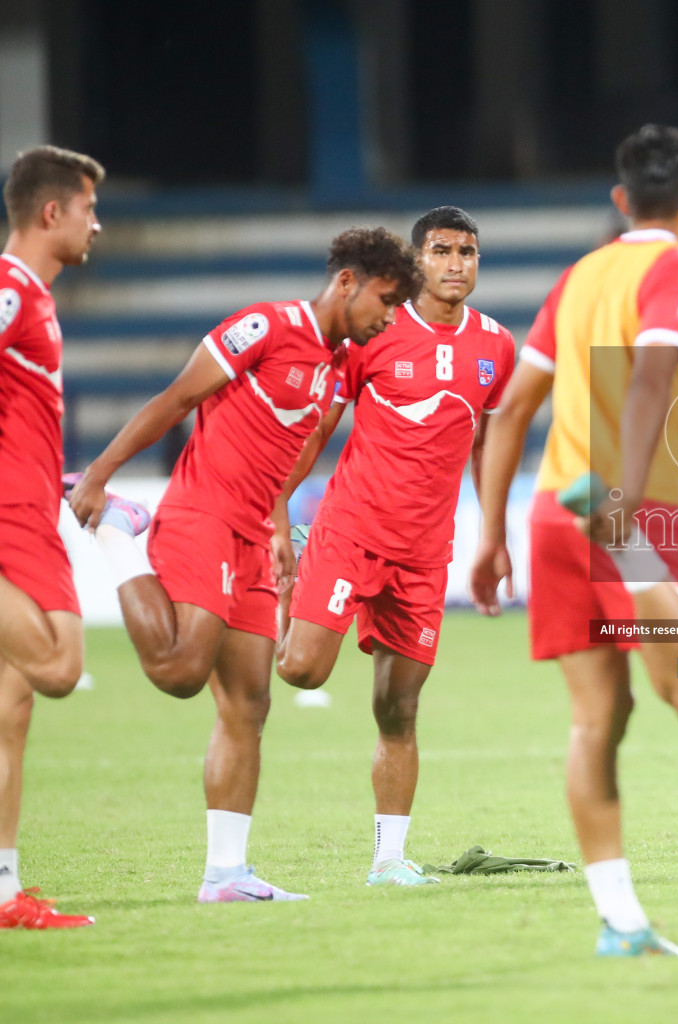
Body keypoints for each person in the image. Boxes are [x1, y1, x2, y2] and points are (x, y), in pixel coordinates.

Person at [66, 228, 420, 902]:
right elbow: (176, 400)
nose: (389, 315)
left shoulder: (337, 361)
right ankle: (118, 533)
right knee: (178, 670)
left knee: (249, 702)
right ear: (346, 282)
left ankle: (225, 874)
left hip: (254, 536)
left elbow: (289, 455)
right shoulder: (265, 326)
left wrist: (281, 530)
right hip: (203, 515)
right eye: (386, 298)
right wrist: (102, 478)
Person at [473, 124, 678, 957]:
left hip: (551, 510)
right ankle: (632, 554)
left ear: (621, 200)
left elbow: (509, 409)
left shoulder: (578, 275)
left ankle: (620, 923)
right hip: (628, 510)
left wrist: (489, 534)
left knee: (598, 717)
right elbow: (653, 372)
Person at [274, 207, 515, 886]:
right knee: (300, 671)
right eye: (441, 251)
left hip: (424, 551)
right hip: (351, 531)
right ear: (417, 260)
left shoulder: (497, 345)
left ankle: (389, 860)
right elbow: (320, 427)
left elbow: (489, 445)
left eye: (468, 252)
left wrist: (492, 535)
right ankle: (286, 573)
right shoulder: (374, 330)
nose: (456, 264)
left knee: (398, 707)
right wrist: (274, 507)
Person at [0, 146, 104, 929]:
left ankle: (3, 891)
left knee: (15, 705)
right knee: (63, 664)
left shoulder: (33, 296)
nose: (96, 225)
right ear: (51, 212)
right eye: (88, 209)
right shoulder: (8, 290)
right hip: (8, 519)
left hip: (33, 510)